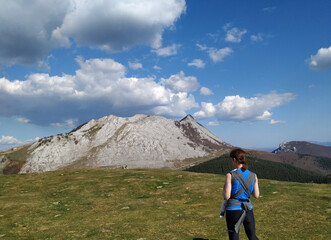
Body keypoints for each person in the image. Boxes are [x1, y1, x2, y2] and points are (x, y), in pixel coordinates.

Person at [221, 148, 260, 240]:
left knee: (234, 237)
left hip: (233, 209)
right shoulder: (253, 175)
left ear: (234, 159)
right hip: (248, 209)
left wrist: (223, 188)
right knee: (252, 236)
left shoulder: (230, 175)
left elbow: (227, 196)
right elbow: (256, 195)